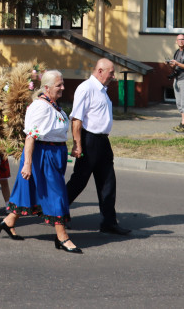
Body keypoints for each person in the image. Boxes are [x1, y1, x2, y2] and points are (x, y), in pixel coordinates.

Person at [0, 69, 82, 253]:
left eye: (62, 84)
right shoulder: (41, 107)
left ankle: (9, 221)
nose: (62, 87)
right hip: (43, 155)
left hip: (53, 153)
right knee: (57, 194)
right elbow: (30, 137)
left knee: (29, 190)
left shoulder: (52, 104)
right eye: (58, 85)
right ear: (46, 87)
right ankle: (62, 237)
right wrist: (27, 163)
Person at [66, 57, 130, 236]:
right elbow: (77, 119)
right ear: (100, 70)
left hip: (102, 141)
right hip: (89, 140)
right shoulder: (86, 88)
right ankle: (57, 211)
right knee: (79, 181)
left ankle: (109, 222)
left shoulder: (102, 89)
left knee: (108, 181)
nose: (113, 76)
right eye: (111, 73)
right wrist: (77, 144)